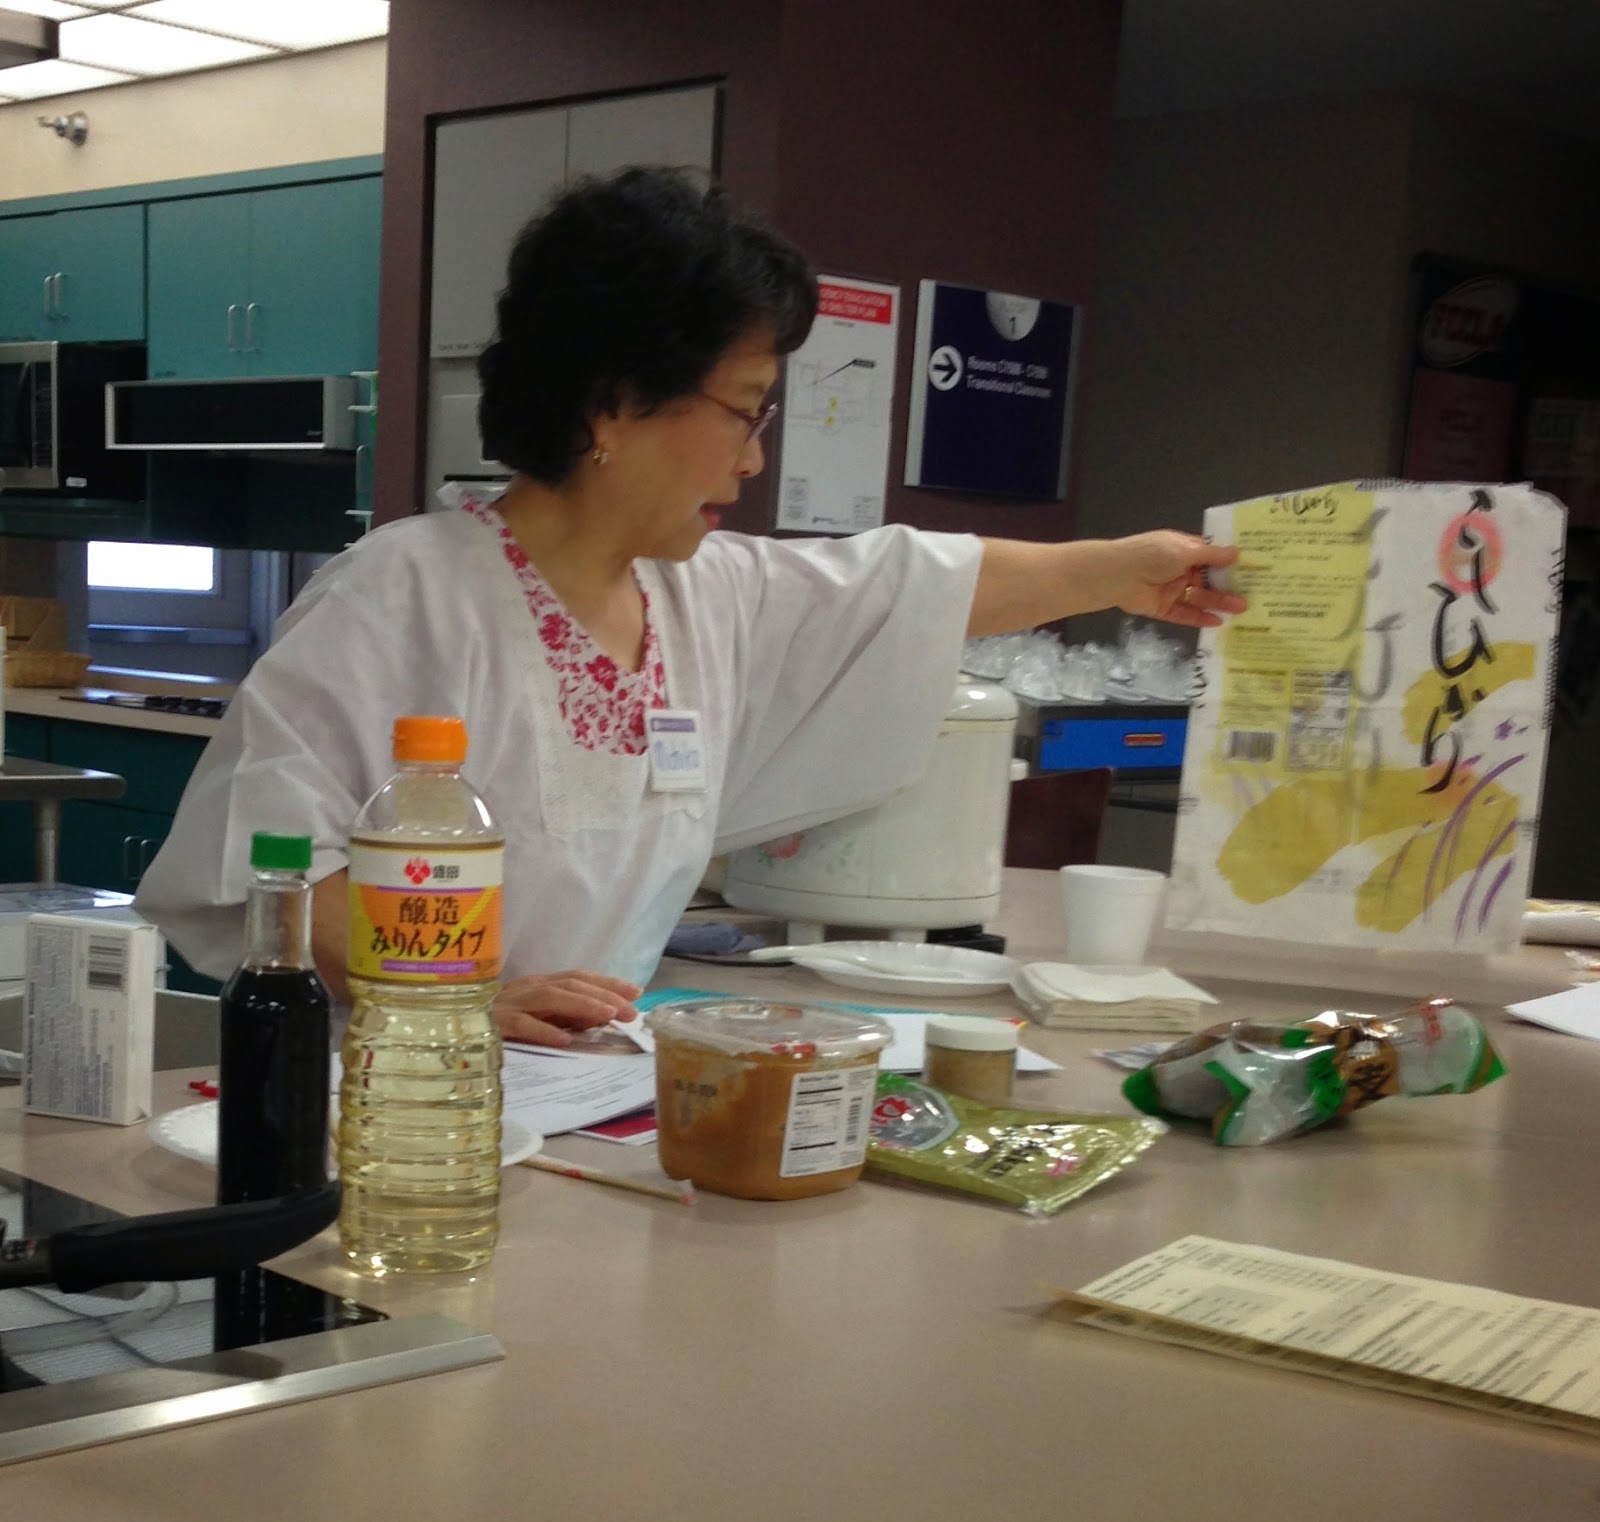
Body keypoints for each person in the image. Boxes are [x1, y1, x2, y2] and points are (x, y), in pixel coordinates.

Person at [136, 167, 1242, 1046]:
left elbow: (912, 583)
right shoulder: (403, 594)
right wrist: (462, 996)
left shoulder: (705, 596)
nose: (754, 459)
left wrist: (1119, 570)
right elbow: (269, 868)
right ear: (616, 399)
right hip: (401, 1099)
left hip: (589, 1100)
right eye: (745, 409)